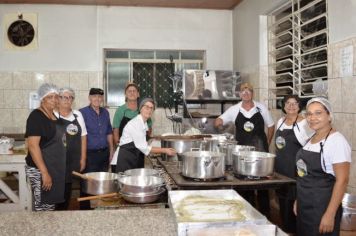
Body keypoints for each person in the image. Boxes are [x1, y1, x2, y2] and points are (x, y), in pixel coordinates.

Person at [214, 82, 275, 217]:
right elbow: (219, 120)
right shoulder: (235, 109)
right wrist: (218, 123)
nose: (246, 93)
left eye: (249, 90)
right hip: (242, 155)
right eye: (243, 90)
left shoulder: (261, 108)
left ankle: (265, 217)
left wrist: (267, 144)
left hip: (260, 154)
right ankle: (246, 215)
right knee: (244, 184)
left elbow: (271, 126)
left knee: (262, 186)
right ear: (240, 94)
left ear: (253, 93)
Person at [294, 97, 351, 236]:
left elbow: (342, 181)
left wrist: (330, 215)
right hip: (305, 204)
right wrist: (298, 200)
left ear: (329, 116)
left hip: (321, 208)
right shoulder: (310, 139)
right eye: (309, 113)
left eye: (318, 113)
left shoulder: (336, 141)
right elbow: (304, 175)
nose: (312, 118)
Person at [274, 95, 314, 233]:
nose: (291, 106)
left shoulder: (304, 123)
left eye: (294, 103)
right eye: (288, 103)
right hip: (280, 170)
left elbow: (312, 146)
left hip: (296, 171)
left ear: (299, 106)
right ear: (284, 106)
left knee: (294, 207)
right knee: (283, 204)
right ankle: (285, 231)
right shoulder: (280, 121)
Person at [25, 83, 66, 211]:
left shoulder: (54, 115)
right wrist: (44, 172)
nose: (54, 100)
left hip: (53, 169)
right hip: (40, 170)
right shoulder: (36, 117)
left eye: (56, 96)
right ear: (42, 98)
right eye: (50, 97)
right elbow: (32, 146)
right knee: (43, 207)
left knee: (50, 206)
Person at [116, 98, 176, 173]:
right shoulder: (136, 123)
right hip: (126, 160)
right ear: (141, 109)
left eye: (151, 108)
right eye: (147, 107)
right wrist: (165, 150)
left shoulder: (143, 123)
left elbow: (142, 142)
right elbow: (144, 147)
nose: (149, 110)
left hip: (133, 157)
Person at [79, 88, 114, 210]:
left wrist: (111, 150)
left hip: (104, 154)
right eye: (94, 96)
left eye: (100, 97)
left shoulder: (105, 113)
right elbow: (79, 135)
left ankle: (99, 210)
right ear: (89, 98)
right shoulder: (81, 113)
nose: (97, 99)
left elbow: (109, 132)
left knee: (101, 184)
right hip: (89, 155)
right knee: (87, 184)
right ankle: (84, 211)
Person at [54, 87, 87, 210]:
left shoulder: (78, 115)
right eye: (64, 97)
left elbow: (83, 136)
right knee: (56, 190)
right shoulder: (52, 115)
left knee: (67, 188)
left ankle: (63, 212)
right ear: (58, 99)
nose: (67, 100)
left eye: (70, 97)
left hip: (73, 160)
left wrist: (83, 158)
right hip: (56, 161)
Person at [111, 83, 152, 172]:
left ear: (138, 94)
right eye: (129, 91)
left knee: (137, 176)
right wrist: (119, 145)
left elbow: (149, 128)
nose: (132, 93)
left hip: (139, 151)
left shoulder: (144, 109)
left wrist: (144, 140)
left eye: (134, 91)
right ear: (125, 94)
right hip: (126, 151)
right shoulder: (121, 110)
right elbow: (116, 129)